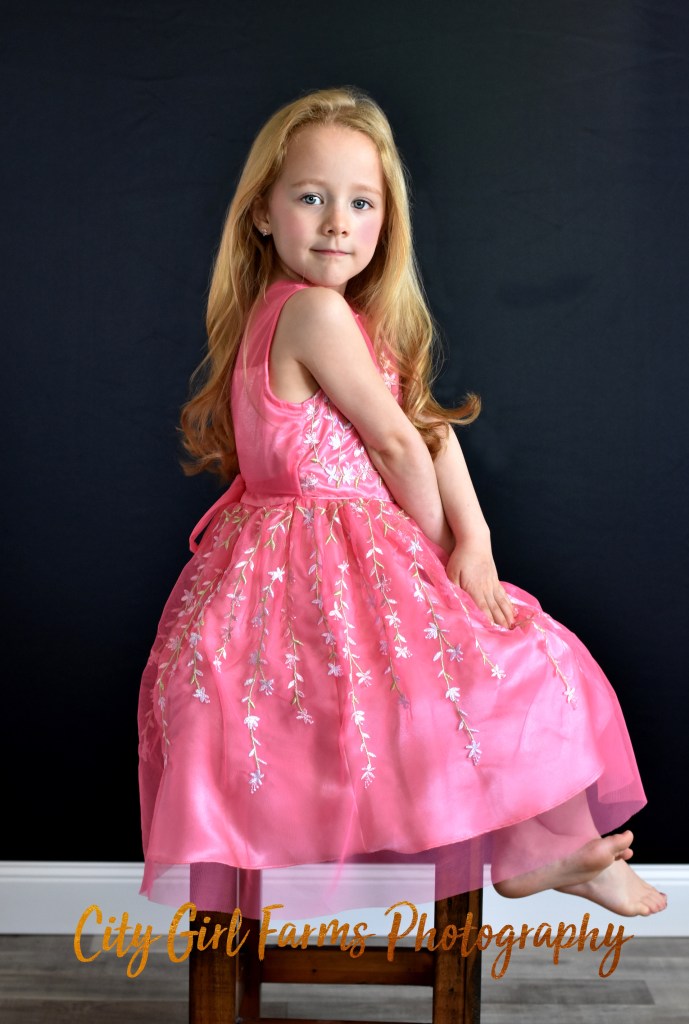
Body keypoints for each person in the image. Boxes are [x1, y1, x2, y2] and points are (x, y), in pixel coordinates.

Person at [137, 86, 666, 922]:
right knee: (516, 657)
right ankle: (541, 849)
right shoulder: (312, 312)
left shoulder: (336, 318)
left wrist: (475, 539)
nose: (336, 223)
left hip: (321, 566)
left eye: (361, 202)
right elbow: (392, 445)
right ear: (263, 213)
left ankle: (542, 848)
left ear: (386, 220)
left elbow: (427, 428)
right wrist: (436, 551)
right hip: (316, 574)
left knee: (498, 655)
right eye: (310, 198)